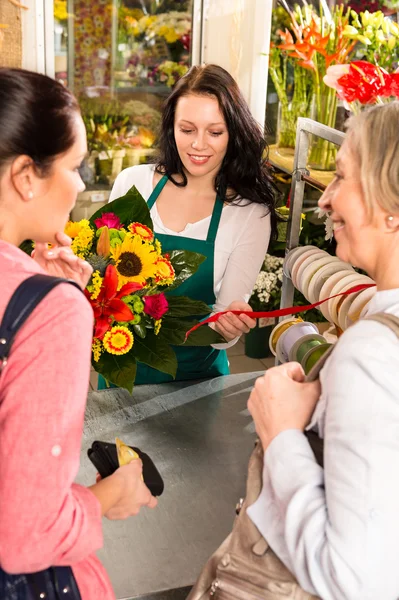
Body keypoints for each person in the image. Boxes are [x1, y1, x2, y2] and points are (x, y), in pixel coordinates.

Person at [0, 68, 157, 600]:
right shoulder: (49, 311)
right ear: (26, 175)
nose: (81, 183)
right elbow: (26, 534)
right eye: (74, 165)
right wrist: (106, 497)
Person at [247, 101, 399, 599]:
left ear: (391, 210)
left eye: (340, 177)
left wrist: (282, 433)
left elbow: (349, 579)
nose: (325, 200)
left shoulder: (372, 354)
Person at [106, 64, 277, 385]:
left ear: (234, 133)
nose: (199, 144)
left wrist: (229, 327)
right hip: (119, 372)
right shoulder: (134, 185)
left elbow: (221, 333)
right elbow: (102, 278)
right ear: (171, 127)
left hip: (195, 382)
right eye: (187, 130)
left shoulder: (249, 214)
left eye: (215, 132)